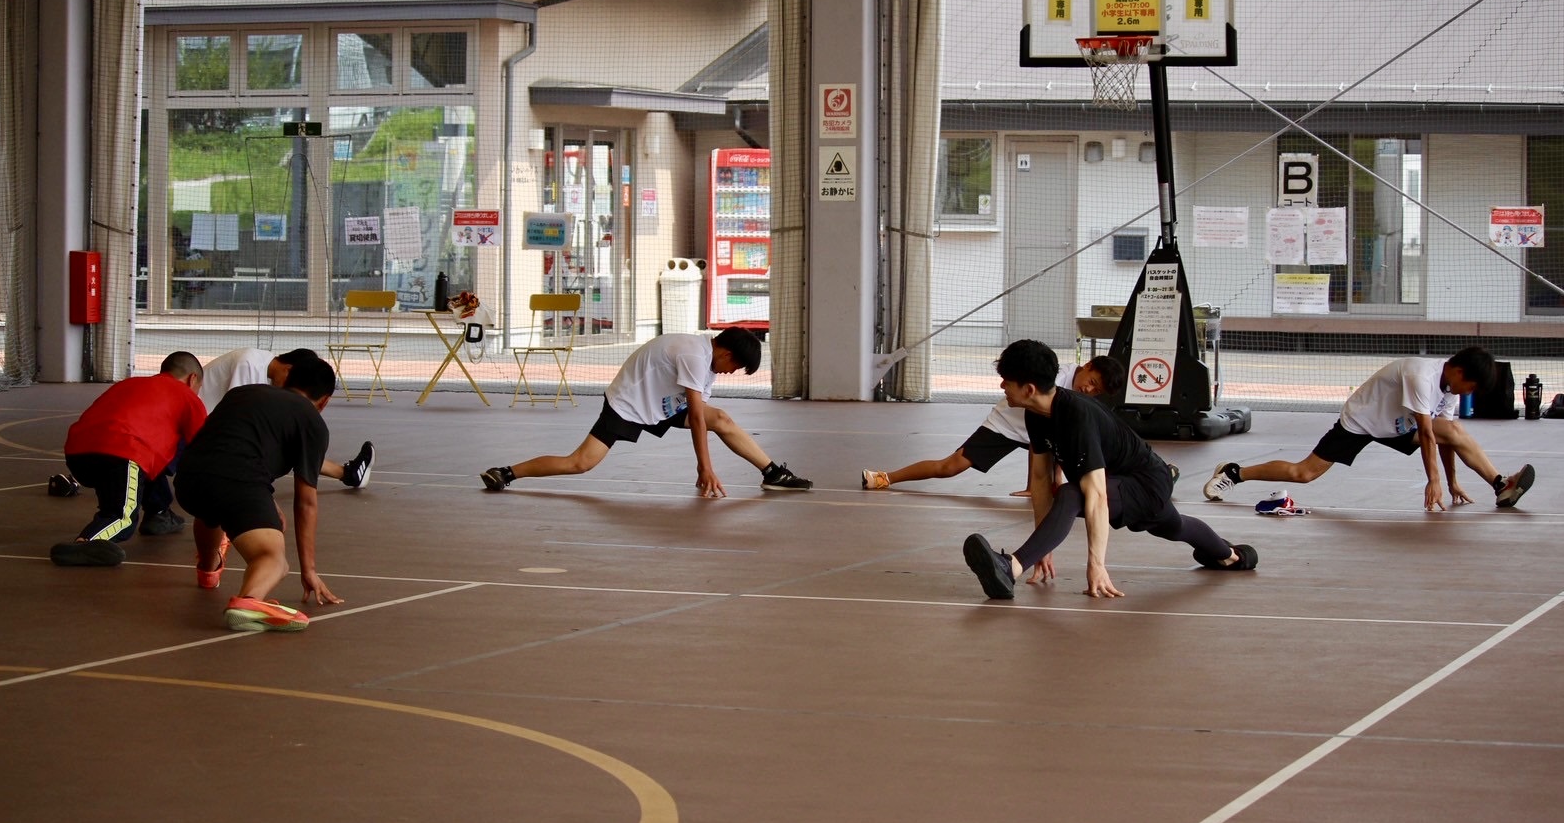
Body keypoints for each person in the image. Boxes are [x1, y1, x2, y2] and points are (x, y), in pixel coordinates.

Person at [962, 340, 1256, 601]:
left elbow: (1097, 494)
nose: (1002, 387)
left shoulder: (1078, 415)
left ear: (1028, 389)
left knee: (1071, 493)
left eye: (1007, 381)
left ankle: (1010, 567)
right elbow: (1040, 480)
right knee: (1173, 525)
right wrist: (1043, 546)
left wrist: (1097, 565)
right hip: (1126, 484)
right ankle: (1231, 556)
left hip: (1146, 482)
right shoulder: (1035, 414)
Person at [480, 327, 813, 497]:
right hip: (628, 403)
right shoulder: (694, 355)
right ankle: (506, 472)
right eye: (736, 365)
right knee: (580, 463)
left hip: (663, 404)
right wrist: (705, 468)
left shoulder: (707, 361)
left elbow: (701, 413)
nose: (733, 372)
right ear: (724, 352)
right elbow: (696, 417)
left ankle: (773, 473)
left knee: (721, 419)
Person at [1202, 347, 1535, 511]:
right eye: (1472, 386)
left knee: (1455, 431)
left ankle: (1500, 484)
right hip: (1362, 420)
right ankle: (1235, 472)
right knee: (1303, 474)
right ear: (1459, 370)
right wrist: (1433, 481)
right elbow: (1429, 433)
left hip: (1397, 424)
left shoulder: (1449, 389)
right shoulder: (1423, 376)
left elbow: (1444, 437)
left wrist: (1451, 482)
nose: (1470, 394)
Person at [174, 356, 344, 632]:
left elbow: (226, 446)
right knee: (272, 558)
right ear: (324, 401)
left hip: (189, 480)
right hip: (238, 483)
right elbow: (306, 502)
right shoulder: (311, 421)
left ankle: (208, 570)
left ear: (286, 380)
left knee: (212, 511)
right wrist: (308, 569)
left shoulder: (242, 393)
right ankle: (249, 601)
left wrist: (264, 501)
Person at [861, 356, 1165, 493]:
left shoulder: (1076, 404)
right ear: (1086, 367)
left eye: (1096, 391)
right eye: (1092, 382)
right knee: (950, 467)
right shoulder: (1054, 378)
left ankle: (1163, 472)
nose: (1090, 390)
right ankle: (886, 477)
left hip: (1040, 432)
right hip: (1008, 424)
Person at [51, 352, 208, 567]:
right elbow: (205, 447)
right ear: (192, 379)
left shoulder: (130, 384)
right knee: (122, 519)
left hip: (78, 453)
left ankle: (159, 512)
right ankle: (85, 542)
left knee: (149, 460)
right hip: (122, 452)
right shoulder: (188, 396)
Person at [200, 346, 374, 488]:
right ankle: (348, 474)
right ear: (288, 369)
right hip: (199, 429)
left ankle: (348, 473)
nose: (289, 391)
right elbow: (238, 417)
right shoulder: (248, 363)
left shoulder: (262, 366)